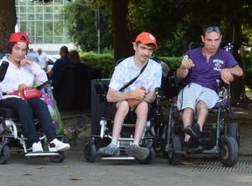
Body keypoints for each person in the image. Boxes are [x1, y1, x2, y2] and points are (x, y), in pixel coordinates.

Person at [0, 32, 70, 154]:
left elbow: (43, 81)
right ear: (11, 48)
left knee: (40, 103)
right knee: (23, 104)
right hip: (8, 97)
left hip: (28, 96)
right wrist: (17, 87)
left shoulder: (28, 65)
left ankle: (53, 141)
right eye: (17, 49)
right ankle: (34, 142)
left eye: (23, 50)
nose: (20, 53)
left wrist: (32, 65)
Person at [176, 25, 243, 150]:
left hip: (211, 89)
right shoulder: (191, 53)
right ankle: (188, 139)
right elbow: (180, 76)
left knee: (202, 104)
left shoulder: (225, 55)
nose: (213, 44)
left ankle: (196, 130)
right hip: (192, 86)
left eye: (216, 40)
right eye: (209, 40)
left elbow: (239, 71)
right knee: (189, 105)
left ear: (220, 39)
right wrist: (183, 67)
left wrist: (226, 69)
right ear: (203, 39)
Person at [98, 32, 162, 160]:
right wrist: (130, 96)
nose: (146, 53)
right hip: (121, 104)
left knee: (144, 105)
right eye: (143, 48)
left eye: (150, 50)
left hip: (141, 105)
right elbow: (110, 96)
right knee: (123, 105)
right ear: (135, 46)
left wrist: (137, 100)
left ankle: (135, 145)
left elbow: (152, 95)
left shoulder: (156, 68)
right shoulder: (123, 66)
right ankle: (113, 144)